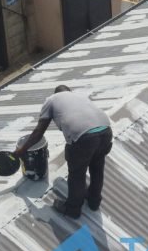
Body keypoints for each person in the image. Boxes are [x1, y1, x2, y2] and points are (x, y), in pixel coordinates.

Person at [14, 85, 113, 218]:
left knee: (77, 174)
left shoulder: (51, 100)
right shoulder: (78, 96)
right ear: (69, 92)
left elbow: (38, 132)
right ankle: (94, 201)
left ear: (56, 93)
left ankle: (73, 208)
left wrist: (21, 151)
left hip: (84, 137)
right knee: (97, 168)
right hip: (106, 131)